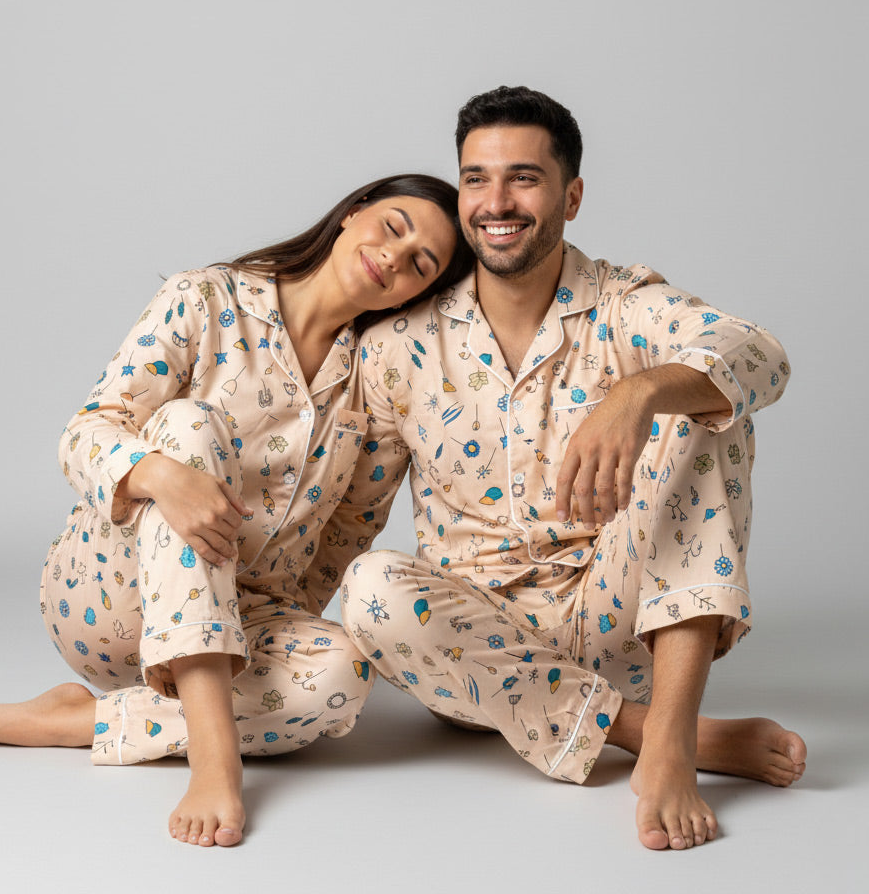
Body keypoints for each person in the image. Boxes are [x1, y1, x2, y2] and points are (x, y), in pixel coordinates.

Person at [0, 173, 471, 848]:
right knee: (187, 426)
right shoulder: (207, 297)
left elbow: (350, 531)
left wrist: (286, 617)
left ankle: (78, 722)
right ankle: (215, 756)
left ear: (422, 290)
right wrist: (159, 475)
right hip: (109, 596)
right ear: (353, 214)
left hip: (244, 627)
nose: (396, 256)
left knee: (345, 675)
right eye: (393, 226)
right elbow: (85, 434)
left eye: (423, 262)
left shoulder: (377, 379)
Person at [330, 86, 807, 851]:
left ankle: (672, 732)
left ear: (571, 195)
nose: (496, 201)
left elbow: (761, 354)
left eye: (524, 177)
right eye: (476, 178)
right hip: (472, 651)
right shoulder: (399, 343)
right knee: (372, 588)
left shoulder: (624, 306)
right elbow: (350, 522)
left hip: (617, 624)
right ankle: (648, 736)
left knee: (708, 412)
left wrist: (643, 389)